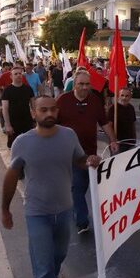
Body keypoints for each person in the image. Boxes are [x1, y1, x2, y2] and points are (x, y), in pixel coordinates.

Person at [1, 95, 101, 278]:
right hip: (37, 214)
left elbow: (78, 159)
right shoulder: (22, 142)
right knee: (43, 267)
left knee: (58, 256)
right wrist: (5, 209)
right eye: (43, 110)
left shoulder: (68, 135)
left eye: (53, 109)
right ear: (33, 113)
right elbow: (11, 175)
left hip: (65, 210)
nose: (49, 114)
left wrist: (89, 160)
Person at [56, 69, 119, 234]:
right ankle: (82, 221)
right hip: (69, 154)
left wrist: (112, 140)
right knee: (77, 187)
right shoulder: (63, 100)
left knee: (83, 186)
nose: (84, 87)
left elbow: (104, 123)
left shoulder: (95, 101)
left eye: (87, 84)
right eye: (81, 84)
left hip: (90, 154)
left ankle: (74, 207)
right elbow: (51, 124)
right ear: (74, 85)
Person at [2, 66, 35, 148]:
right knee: (14, 147)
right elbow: (5, 109)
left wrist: (36, 120)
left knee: (28, 145)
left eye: (20, 73)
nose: (18, 75)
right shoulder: (7, 90)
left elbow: (34, 106)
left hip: (27, 122)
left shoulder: (28, 89)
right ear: (11, 76)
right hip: (13, 123)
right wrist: (7, 125)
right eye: (15, 74)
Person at [108, 87, 137, 153]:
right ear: (119, 96)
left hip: (130, 142)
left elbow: (133, 124)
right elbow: (109, 126)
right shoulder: (113, 109)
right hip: (118, 142)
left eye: (127, 96)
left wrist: (135, 139)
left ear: (130, 97)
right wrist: (113, 141)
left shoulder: (131, 108)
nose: (124, 98)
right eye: (122, 95)